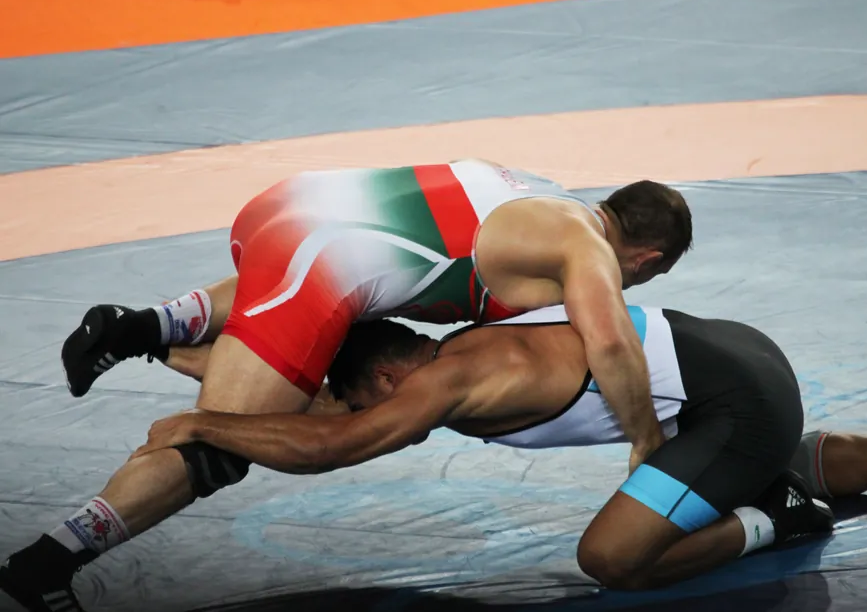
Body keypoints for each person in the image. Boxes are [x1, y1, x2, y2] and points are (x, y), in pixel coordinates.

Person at [1, 162, 692, 612]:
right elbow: (609, 342)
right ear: (646, 257)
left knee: (289, 347)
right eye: (643, 278)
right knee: (224, 443)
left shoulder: (537, 189)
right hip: (317, 265)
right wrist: (643, 439)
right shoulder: (585, 247)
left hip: (290, 205)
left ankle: (146, 326)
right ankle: (43, 566)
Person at [57, 306, 867, 594]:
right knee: (753, 442)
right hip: (733, 354)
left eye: (353, 393)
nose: (338, 403)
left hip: (734, 399)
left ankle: (775, 518)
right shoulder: (435, 350)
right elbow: (300, 399)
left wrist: (200, 427)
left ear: (384, 379)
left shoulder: (450, 380)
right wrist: (154, 347)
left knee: (612, 558)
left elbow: (334, 444)